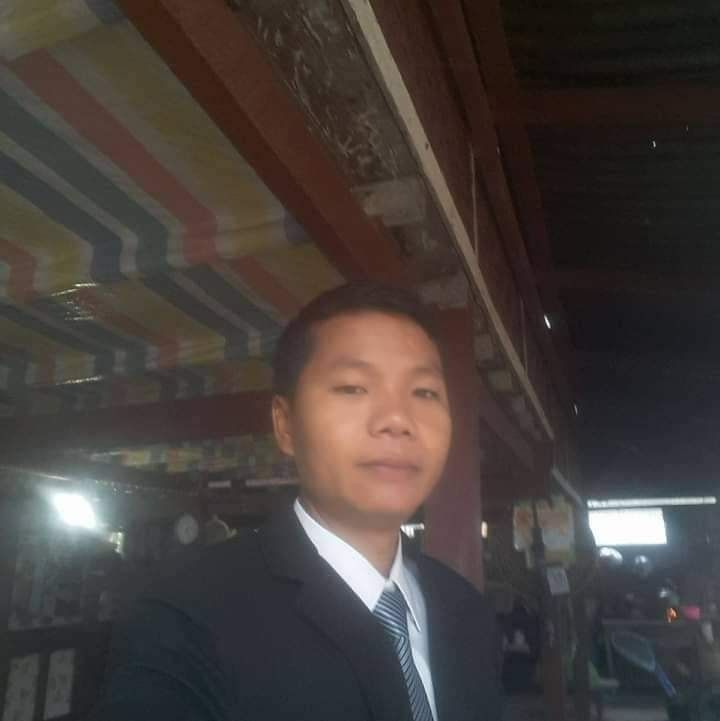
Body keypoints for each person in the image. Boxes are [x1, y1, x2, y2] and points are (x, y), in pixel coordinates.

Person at [89, 282, 502, 720]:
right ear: (285, 425)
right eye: (353, 387)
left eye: (424, 392)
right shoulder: (184, 620)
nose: (398, 419)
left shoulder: (466, 610)